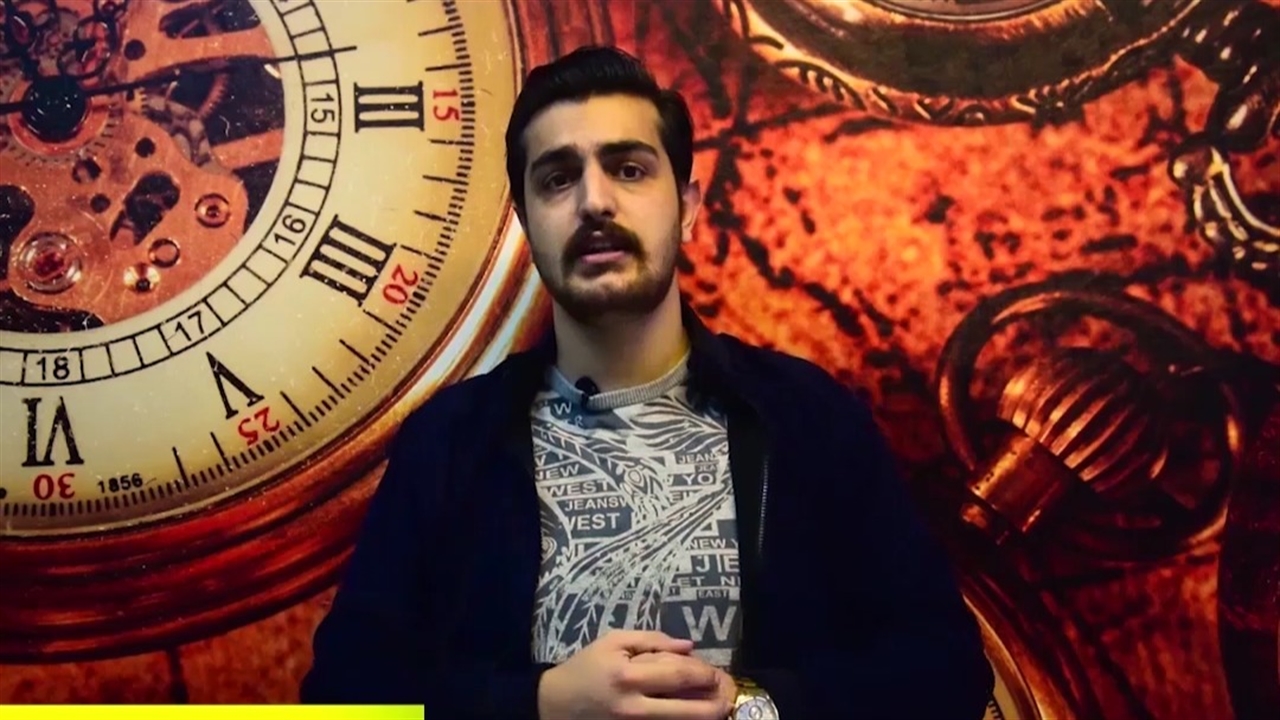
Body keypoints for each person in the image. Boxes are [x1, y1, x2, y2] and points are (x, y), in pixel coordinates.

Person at [300, 45, 994, 719]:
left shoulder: (808, 418)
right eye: (557, 179)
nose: (594, 202)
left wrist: (749, 706)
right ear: (525, 222)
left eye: (629, 169)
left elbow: (947, 670)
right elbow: (340, 697)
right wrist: (540, 705)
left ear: (686, 206)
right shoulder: (450, 441)